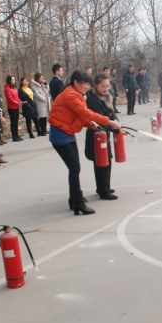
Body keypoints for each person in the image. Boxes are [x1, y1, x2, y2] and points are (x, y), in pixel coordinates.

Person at [48, 71, 120, 215]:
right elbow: (85, 112)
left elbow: (80, 115)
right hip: (60, 135)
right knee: (74, 168)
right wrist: (108, 121)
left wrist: (89, 124)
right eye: (85, 84)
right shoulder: (70, 95)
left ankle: (74, 199)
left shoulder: (77, 95)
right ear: (76, 83)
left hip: (68, 133)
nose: (87, 87)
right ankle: (78, 202)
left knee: (75, 167)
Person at [85, 73, 121, 200]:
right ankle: (103, 191)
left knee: (107, 162)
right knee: (101, 163)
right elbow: (101, 120)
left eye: (107, 86)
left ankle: (104, 186)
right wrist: (116, 129)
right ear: (95, 85)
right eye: (102, 87)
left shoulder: (107, 97)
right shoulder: (93, 100)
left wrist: (117, 121)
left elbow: (111, 113)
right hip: (96, 135)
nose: (105, 89)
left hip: (105, 134)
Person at [4, 75, 24, 141]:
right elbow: (10, 99)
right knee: (13, 122)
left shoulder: (14, 88)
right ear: (9, 80)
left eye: (14, 80)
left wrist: (20, 101)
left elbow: (16, 97)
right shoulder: (7, 88)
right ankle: (14, 136)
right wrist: (16, 103)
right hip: (11, 107)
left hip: (16, 106)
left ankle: (17, 134)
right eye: (12, 80)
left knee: (16, 121)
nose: (14, 81)